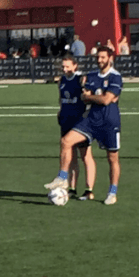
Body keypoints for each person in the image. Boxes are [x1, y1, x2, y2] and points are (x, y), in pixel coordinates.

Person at [45, 46, 122, 205]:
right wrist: (94, 97)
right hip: (91, 120)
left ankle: (112, 192)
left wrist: (92, 97)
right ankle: (62, 178)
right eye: (98, 57)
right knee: (66, 141)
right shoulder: (91, 76)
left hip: (109, 122)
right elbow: (85, 96)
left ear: (110, 58)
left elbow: (106, 100)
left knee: (112, 158)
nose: (99, 60)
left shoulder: (115, 77)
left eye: (103, 57)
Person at [56, 55, 96, 200]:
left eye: (67, 66)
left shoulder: (80, 80)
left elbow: (88, 97)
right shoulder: (61, 81)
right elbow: (61, 99)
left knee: (85, 155)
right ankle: (72, 189)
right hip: (66, 121)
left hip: (80, 123)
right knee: (71, 157)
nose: (65, 69)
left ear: (75, 66)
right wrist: (60, 112)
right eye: (63, 66)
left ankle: (89, 190)